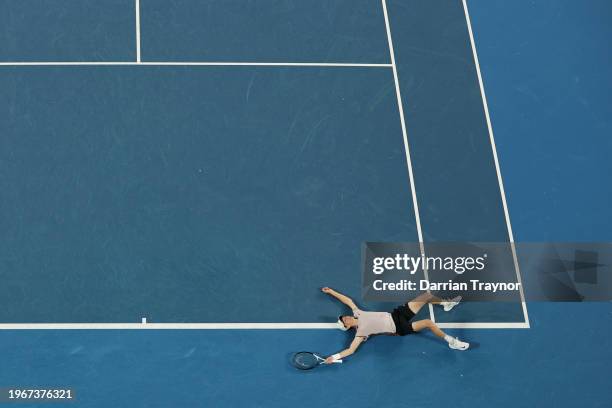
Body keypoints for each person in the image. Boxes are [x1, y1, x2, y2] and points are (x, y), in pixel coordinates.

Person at [321, 287, 469, 363]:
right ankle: (451, 342)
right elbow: (351, 350)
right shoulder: (360, 333)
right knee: (428, 323)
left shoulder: (357, 312)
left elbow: (347, 300)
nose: (345, 318)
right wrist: (334, 357)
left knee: (426, 295)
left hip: (397, 314)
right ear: (347, 327)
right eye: (343, 321)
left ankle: (446, 304)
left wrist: (331, 292)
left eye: (343, 317)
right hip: (399, 328)